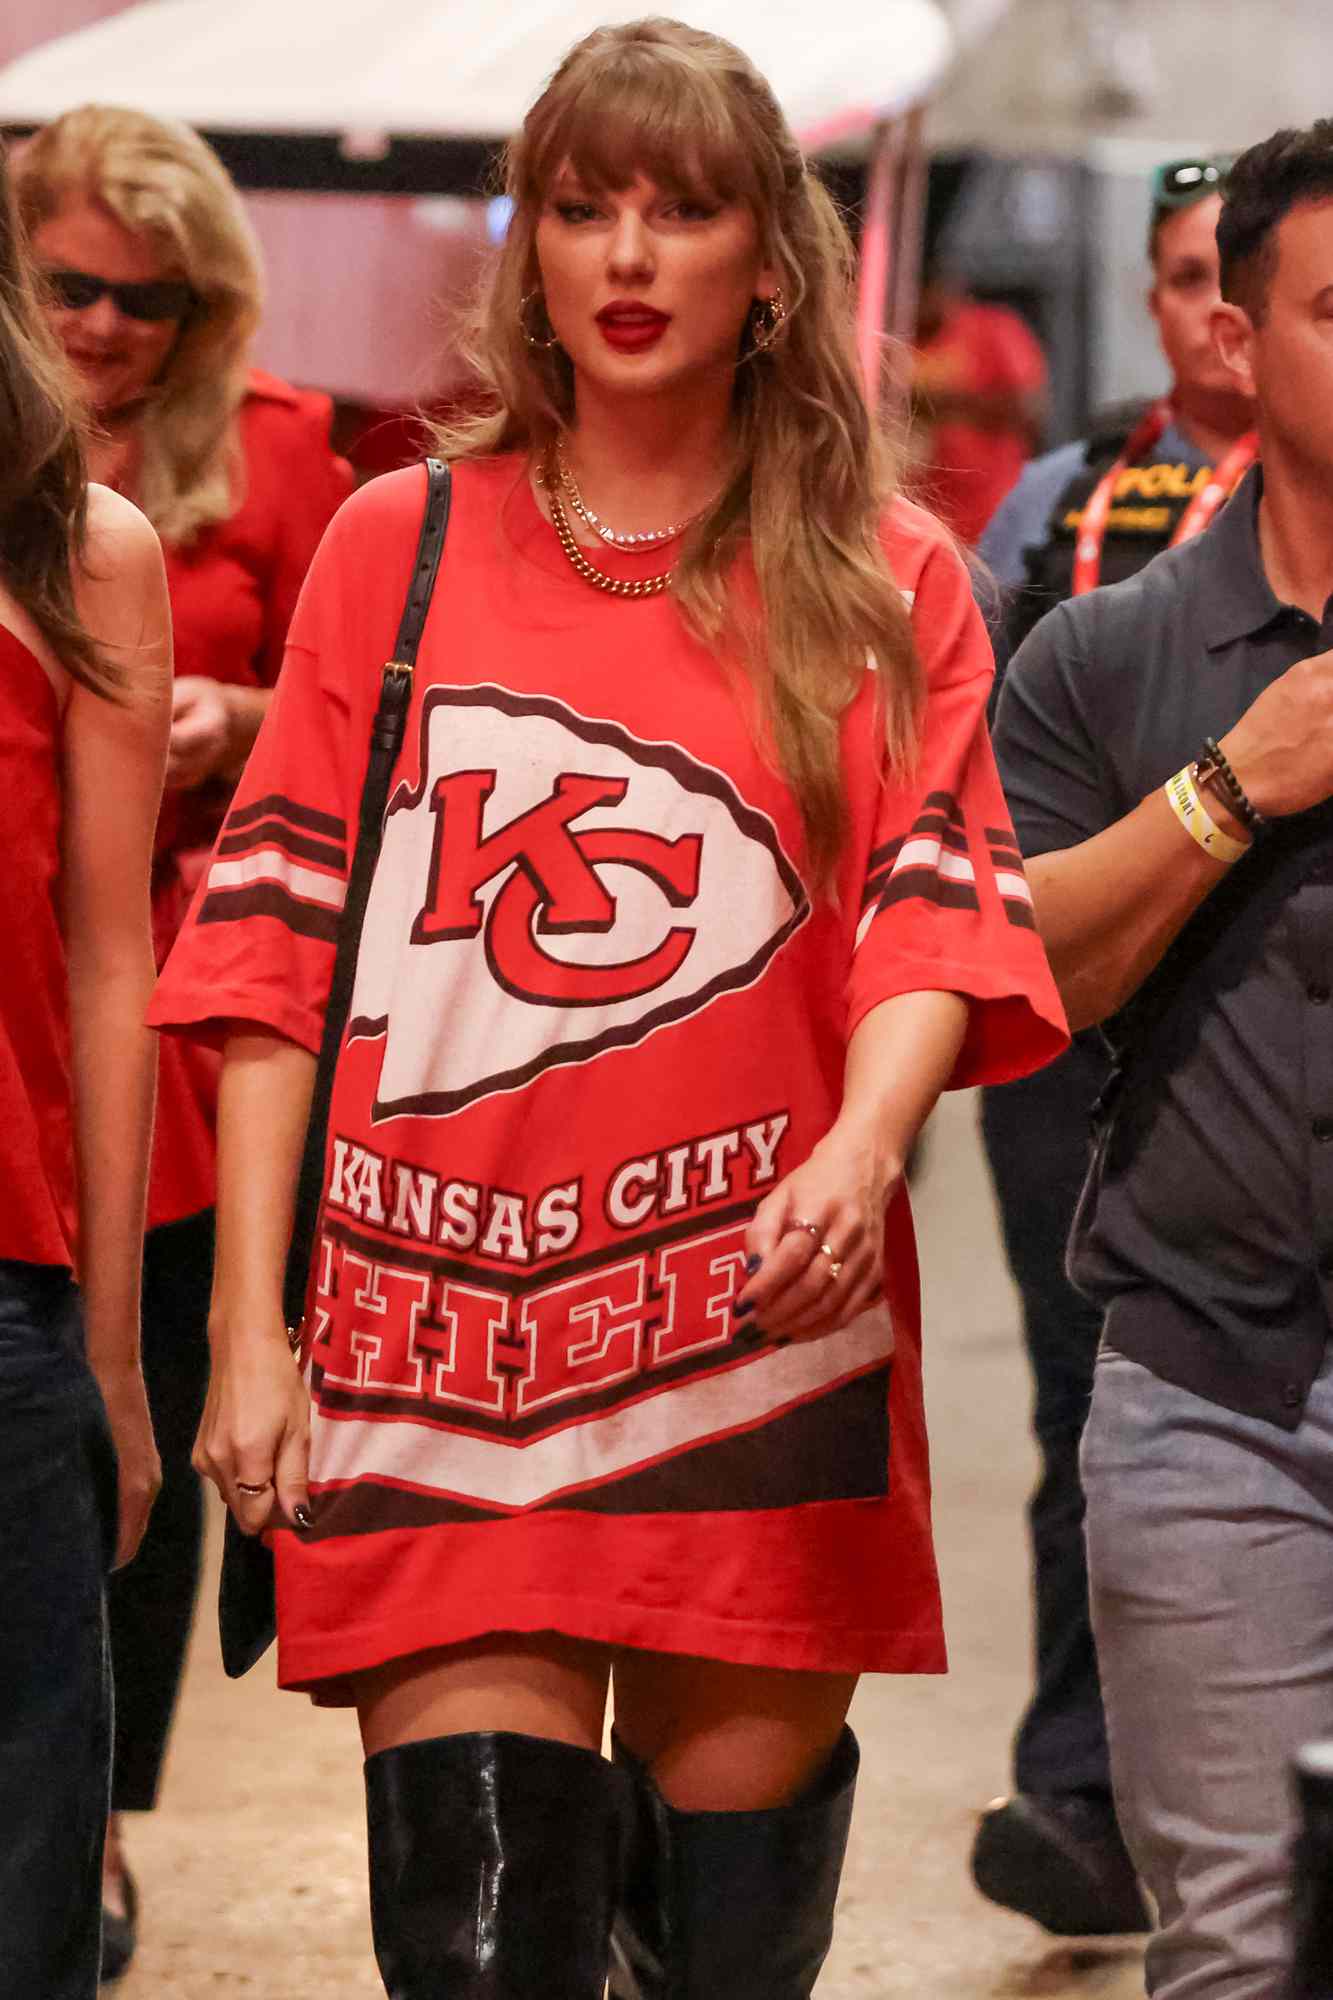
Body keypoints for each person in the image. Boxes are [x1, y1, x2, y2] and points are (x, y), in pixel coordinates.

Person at [151, 21, 1065, 1996]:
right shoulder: (396, 548)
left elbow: (937, 909)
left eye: (684, 206)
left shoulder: (881, 574)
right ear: (534, 252)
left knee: (724, 1962)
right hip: (429, 1339)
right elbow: (271, 949)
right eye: (584, 207)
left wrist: (862, 1137)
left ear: (770, 256)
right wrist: (250, 1330)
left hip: (755, 1336)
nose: (630, 255)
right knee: (478, 1955)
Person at [992, 121, 1333, 1999]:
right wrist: (1230, 787)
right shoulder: (1099, 659)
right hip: (1212, 1400)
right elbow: (1024, 981)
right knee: (1238, 1954)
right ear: (1233, 328)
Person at [13, 104, 353, 1978]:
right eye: (70, 283)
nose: (108, 323)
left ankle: (112, 1814)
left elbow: (345, 700)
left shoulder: (286, 450)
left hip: (201, 992)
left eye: (149, 294)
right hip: (31, 961)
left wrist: (225, 716)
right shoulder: (17, 452)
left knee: (117, 1415)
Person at [968, 157, 1257, 1937]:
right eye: (1177, 274)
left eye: (1241, 273)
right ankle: (1079, 1789)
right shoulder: (1060, 504)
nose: (1209, 306)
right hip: (1075, 1021)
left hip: (1264, 1028)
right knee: (1089, 1398)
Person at [0, 140, 171, 1998]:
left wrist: (117, 1361)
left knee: (26, 1872)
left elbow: (110, 959)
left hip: (8, 1286)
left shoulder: (74, 547)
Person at [909, 266, 1048, 546]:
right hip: (925, 524)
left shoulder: (991, 327)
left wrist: (937, 401)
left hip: (992, 520)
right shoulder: (896, 338)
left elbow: (1030, 408)